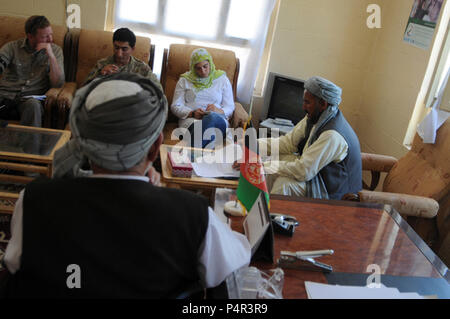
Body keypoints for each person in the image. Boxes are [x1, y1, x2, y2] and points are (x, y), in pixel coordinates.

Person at [3, 73, 251, 298]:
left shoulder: (33, 199)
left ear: (84, 143)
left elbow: (14, 265)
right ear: (155, 148)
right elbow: (236, 261)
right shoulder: (194, 214)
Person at [241, 76, 362, 200]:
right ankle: (260, 204)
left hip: (333, 193)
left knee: (284, 185)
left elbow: (304, 171)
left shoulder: (332, 135)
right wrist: (250, 145)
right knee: (275, 160)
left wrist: (262, 165)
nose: (303, 107)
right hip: (317, 174)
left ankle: (274, 217)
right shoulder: (316, 116)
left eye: (307, 102)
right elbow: (287, 143)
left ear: (323, 104)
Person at [0, 15, 64, 127]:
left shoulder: (56, 51)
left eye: (51, 34)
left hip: (29, 100)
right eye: (45, 37)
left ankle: (29, 145)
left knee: (33, 106)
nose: (50, 39)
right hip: (4, 96)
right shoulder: (12, 47)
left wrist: (51, 56)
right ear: (30, 36)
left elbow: (58, 83)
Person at [171, 48, 235, 148]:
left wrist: (219, 111)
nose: (203, 71)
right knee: (210, 134)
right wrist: (192, 113)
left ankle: (190, 153)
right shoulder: (184, 80)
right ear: (193, 68)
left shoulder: (222, 79)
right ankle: (204, 154)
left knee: (212, 118)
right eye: (198, 68)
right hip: (192, 121)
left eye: (205, 66)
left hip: (217, 120)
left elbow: (230, 106)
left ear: (210, 63)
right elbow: (175, 106)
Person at [83, 28, 160, 88]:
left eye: (124, 49)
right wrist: (100, 74)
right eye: (116, 48)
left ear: (132, 49)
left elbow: (158, 91)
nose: (119, 54)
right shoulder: (102, 64)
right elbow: (84, 88)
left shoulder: (142, 68)